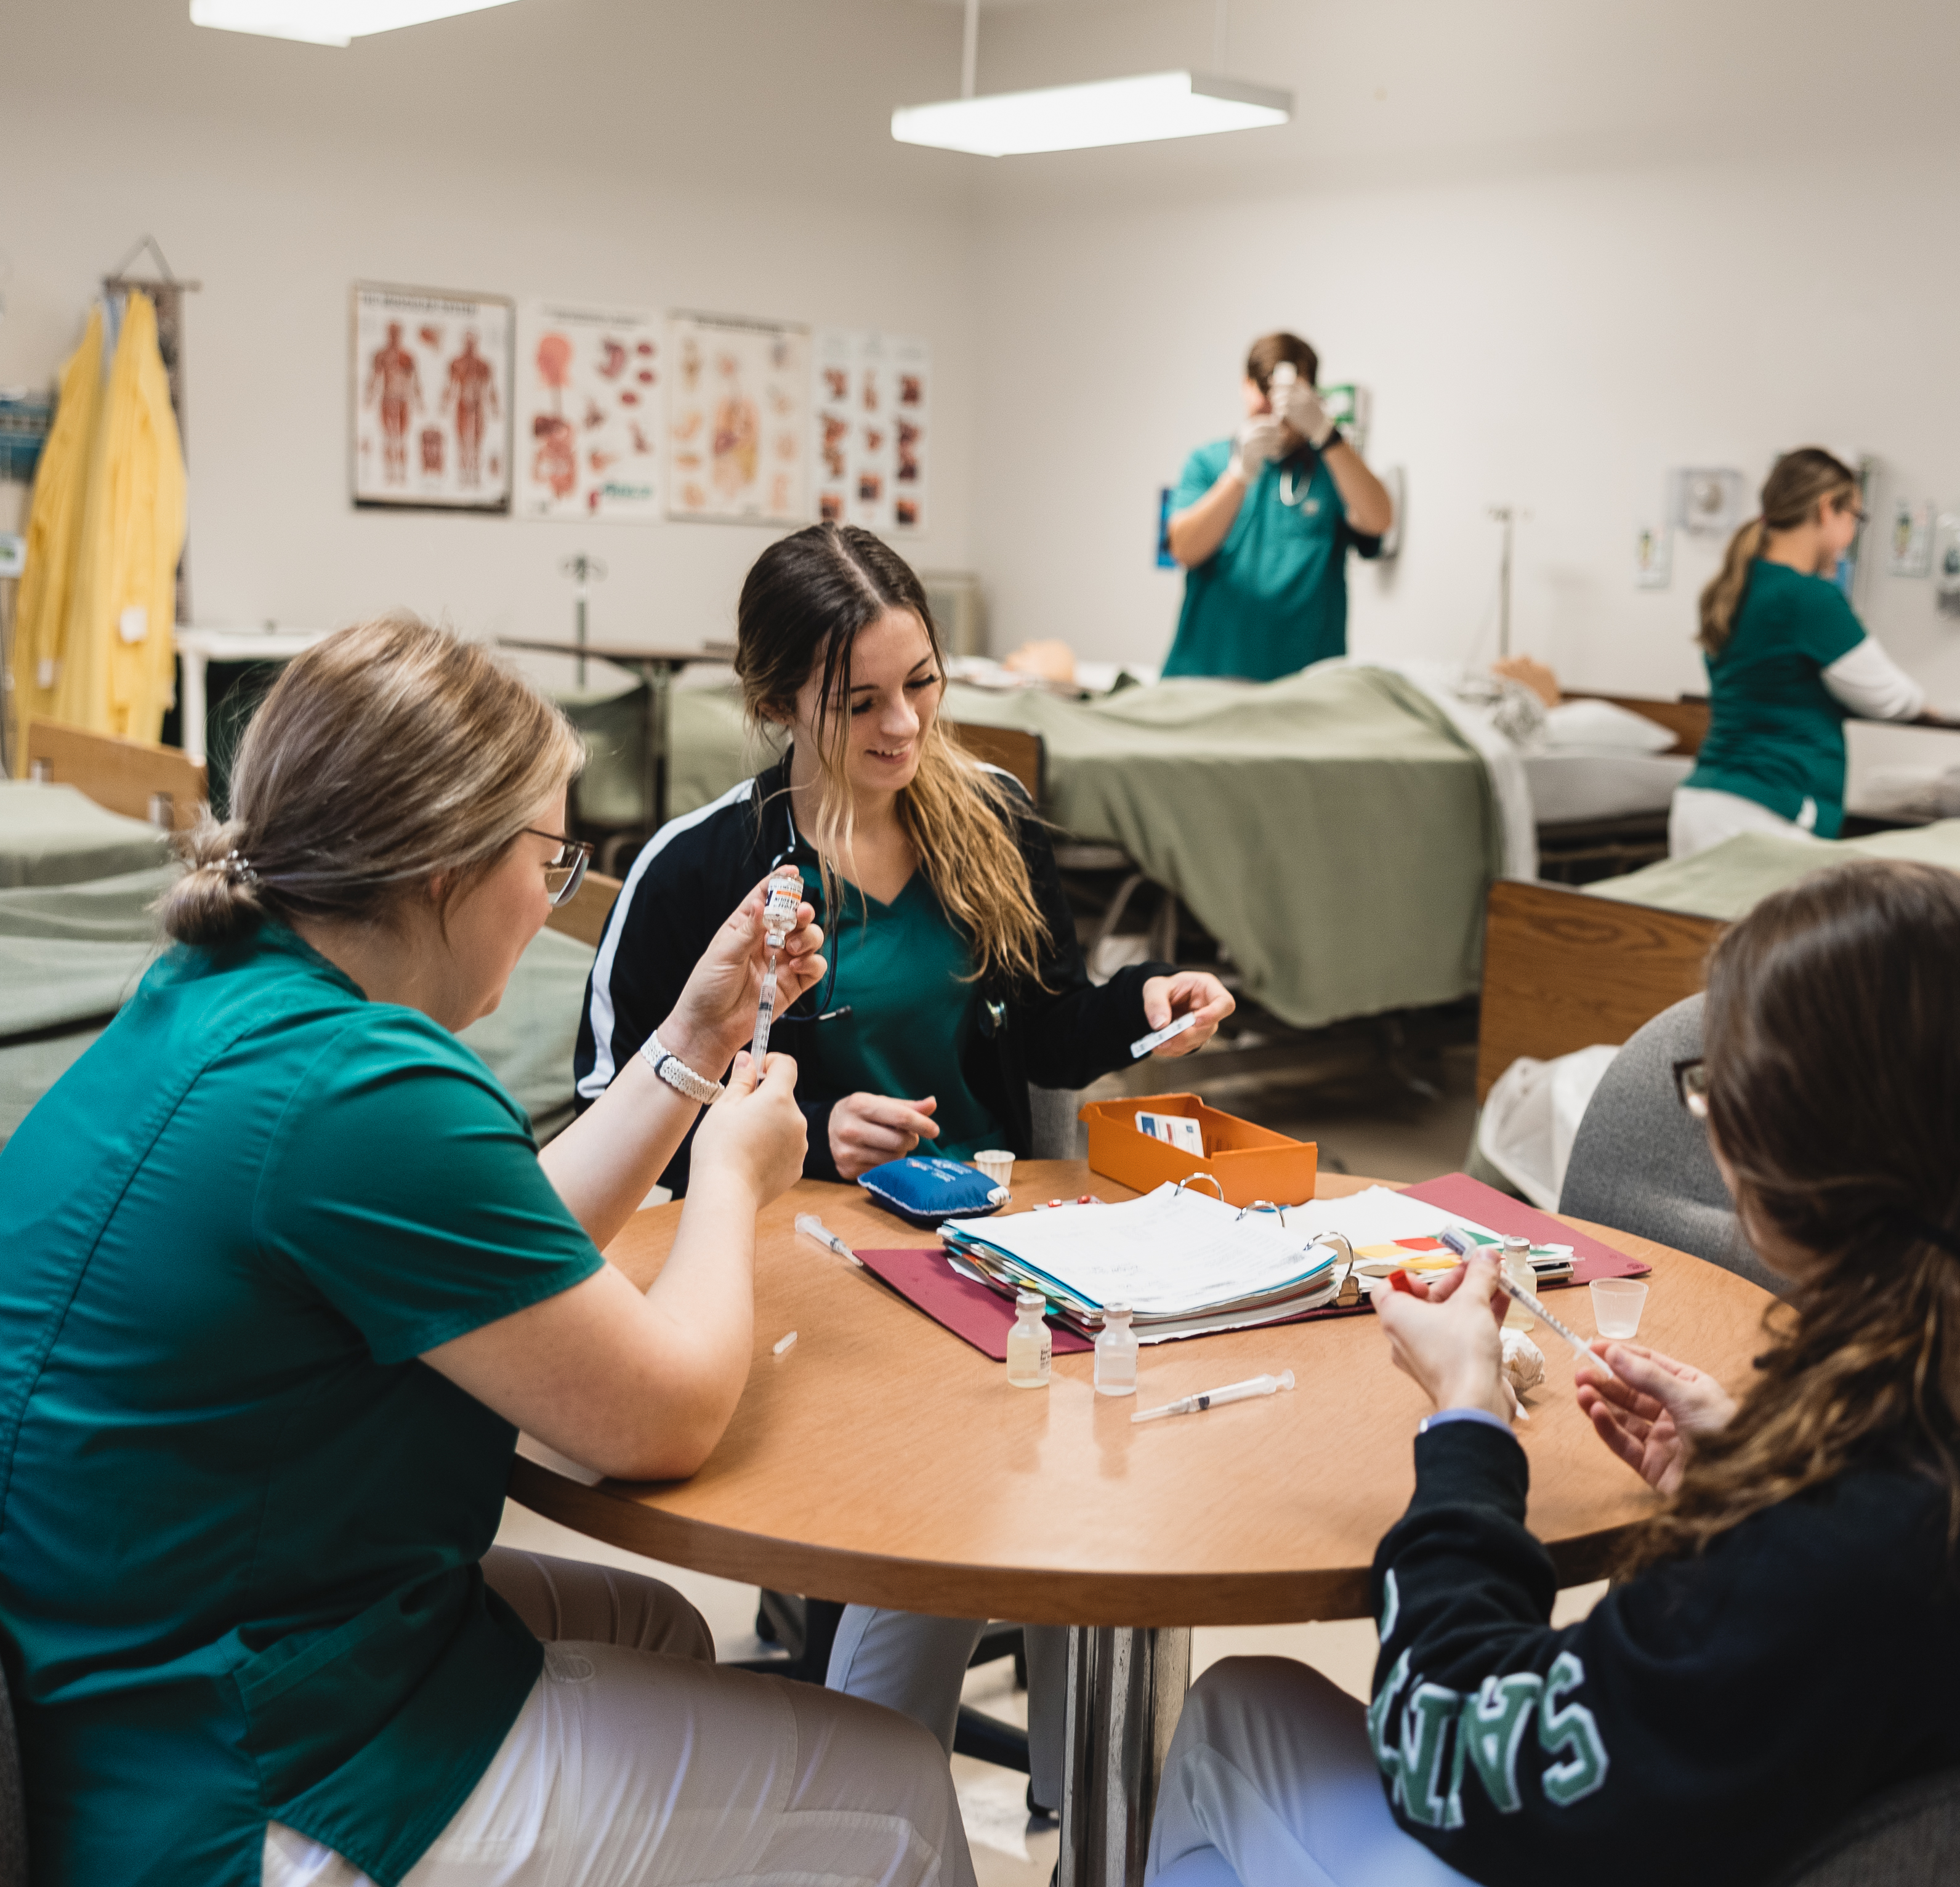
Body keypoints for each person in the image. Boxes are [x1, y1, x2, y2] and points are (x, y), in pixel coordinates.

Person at [0, 617, 977, 1887]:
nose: (554, 895)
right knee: (895, 1795)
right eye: (549, 856)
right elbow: (666, 1415)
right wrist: (737, 1174)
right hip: (224, 1779)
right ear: (437, 871)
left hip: (121, 1670)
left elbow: (495, 1243)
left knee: (647, 1623)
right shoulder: (360, 1089)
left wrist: (692, 1041)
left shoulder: (226, 1000)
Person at [1142, 860, 1960, 1887]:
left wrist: (1467, 1425)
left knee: (1237, 1715)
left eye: (1708, 1091)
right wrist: (1748, 1472)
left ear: (1760, 1145)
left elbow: (1447, 1749)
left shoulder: (1818, 1547)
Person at [575, 521, 1237, 1792]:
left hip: (988, 1254)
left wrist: (1141, 1002)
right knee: (913, 1543)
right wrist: (810, 1139)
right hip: (797, 1277)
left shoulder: (984, 822)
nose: (903, 730)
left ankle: (1069, 1816)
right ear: (775, 701)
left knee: (1090, 1485)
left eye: (922, 684)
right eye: (858, 702)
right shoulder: (699, 870)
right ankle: (873, 1806)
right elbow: (614, 1120)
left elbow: (1046, 1028)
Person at [1672, 447, 1930, 859]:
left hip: (1702, 802)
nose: (1851, 537)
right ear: (1828, 509)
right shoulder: (1809, 598)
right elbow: (1891, 699)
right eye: (1855, 519)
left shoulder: (1734, 586)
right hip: (1767, 808)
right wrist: (1925, 702)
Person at [1162, 331, 1397, 681]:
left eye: (1290, 396)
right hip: (1204, 681)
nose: (1276, 409)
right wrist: (1239, 474)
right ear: (1245, 387)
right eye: (1265, 391)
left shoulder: (1334, 470)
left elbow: (1379, 520)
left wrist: (1327, 434)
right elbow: (1185, 548)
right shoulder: (1208, 463)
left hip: (1302, 695)